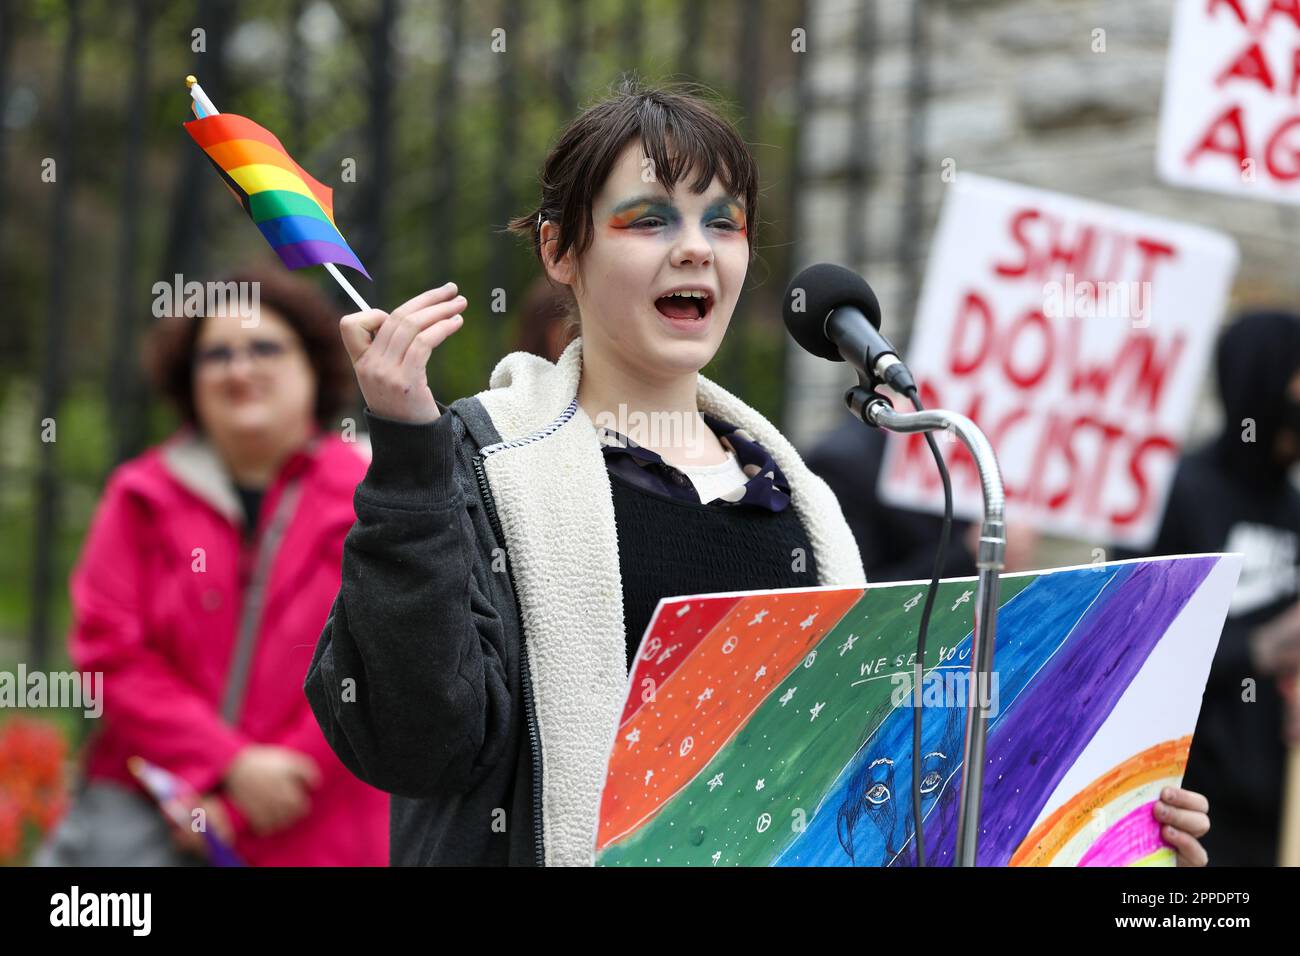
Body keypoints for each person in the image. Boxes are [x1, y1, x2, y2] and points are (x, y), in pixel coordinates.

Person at [305, 78, 1211, 867]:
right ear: (559, 253)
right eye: (648, 217)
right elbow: (412, 740)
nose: (695, 246)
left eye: (722, 222)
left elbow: (873, 797)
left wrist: (1104, 824)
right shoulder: (477, 459)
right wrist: (408, 450)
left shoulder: (798, 499)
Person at [38, 265, 389, 866]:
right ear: (189, 379)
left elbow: (385, 655)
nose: (240, 367)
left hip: (321, 825)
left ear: (312, 366)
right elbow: (109, 653)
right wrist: (226, 765)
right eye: (217, 354)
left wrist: (267, 788)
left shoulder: (373, 493)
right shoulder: (140, 495)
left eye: (264, 347)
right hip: (155, 818)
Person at [1119, 309, 1300, 866]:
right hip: (1184, 809)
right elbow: (1134, 650)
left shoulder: (1295, 510)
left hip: (1276, 809)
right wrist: (1258, 648)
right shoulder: (1176, 494)